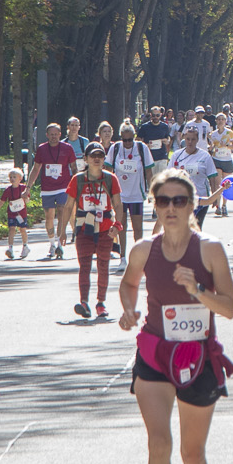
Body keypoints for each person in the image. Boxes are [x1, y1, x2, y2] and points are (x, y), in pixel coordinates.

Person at [118, 168, 233, 464]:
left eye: (180, 200)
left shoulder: (210, 249)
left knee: (192, 453)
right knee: (158, 444)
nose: (171, 208)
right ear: (153, 203)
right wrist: (129, 309)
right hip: (155, 353)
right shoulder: (142, 249)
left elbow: (231, 309)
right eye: (163, 200)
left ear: (193, 205)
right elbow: (128, 282)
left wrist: (197, 290)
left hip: (198, 358)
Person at [69, 143, 123, 320]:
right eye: (93, 156)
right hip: (84, 227)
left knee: (103, 266)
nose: (97, 158)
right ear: (86, 159)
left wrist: (117, 225)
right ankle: (84, 302)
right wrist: (62, 231)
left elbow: (118, 204)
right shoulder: (77, 179)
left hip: (106, 228)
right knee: (84, 266)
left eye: (100, 155)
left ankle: (101, 303)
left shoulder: (110, 178)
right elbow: (68, 205)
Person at [28, 122, 76, 258]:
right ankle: (52, 244)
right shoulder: (42, 149)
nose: (54, 137)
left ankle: (60, 244)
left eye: (56, 134)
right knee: (49, 216)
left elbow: (73, 168)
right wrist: (28, 188)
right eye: (51, 134)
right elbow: (36, 168)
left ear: (60, 135)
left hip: (63, 187)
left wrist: (76, 186)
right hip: (47, 188)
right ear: (47, 135)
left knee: (61, 211)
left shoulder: (67, 148)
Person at [112, 121, 156, 244]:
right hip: (120, 196)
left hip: (136, 195)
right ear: (120, 137)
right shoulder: (115, 148)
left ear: (134, 136)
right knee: (121, 226)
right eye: (124, 140)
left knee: (137, 228)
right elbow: (108, 171)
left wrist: (152, 192)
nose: (127, 143)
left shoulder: (142, 148)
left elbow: (149, 172)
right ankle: (122, 257)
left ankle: (139, 254)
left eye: (130, 140)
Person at [174, 126, 224, 228]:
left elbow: (212, 177)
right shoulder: (177, 155)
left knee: (196, 228)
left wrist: (214, 198)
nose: (190, 142)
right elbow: (169, 176)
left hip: (201, 198)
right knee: (183, 229)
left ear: (197, 140)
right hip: (181, 199)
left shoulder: (205, 156)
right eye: (188, 139)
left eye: (193, 139)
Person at [0, 165, 32, 259]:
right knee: (12, 229)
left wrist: (25, 197)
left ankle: (25, 246)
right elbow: (1, 201)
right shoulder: (8, 190)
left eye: (14, 177)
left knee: (22, 229)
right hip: (11, 213)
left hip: (22, 214)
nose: (12, 179)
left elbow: (28, 200)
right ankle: (10, 248)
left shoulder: (23, 188)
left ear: (20, 178)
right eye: (11, 177)